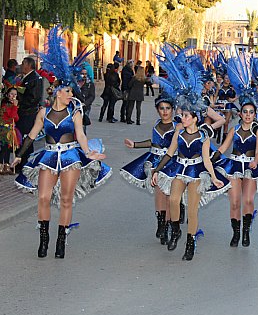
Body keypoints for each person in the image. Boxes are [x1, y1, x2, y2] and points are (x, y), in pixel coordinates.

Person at [13, 26, 111, 259]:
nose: (71, 95)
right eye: (68, 91)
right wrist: (20, 153)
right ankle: (44, 240)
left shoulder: (75, 112)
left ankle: (61, 241)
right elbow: (31, 134)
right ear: (58, 92)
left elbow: (81, 135)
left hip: (69, 157)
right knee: (44, 197)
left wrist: (89, 152)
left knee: (66, 199)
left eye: (72, 92)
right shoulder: (43, 113)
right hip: (48, 156)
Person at [150, 44, 229, 261]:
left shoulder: (204, 135)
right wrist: (156, 170)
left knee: (193, 210)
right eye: (181, 115)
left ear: (194, 117)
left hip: (196, 172)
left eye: (185, 115)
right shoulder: (178, 131)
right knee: (174, 200)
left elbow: (206, 159)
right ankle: (175, 229)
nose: (181, 118)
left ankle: (190, 242)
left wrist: (213, 177)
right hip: (178, 168)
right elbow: (169, 153)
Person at [215, 86, 258, 248]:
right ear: (240, 114)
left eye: (251, 112)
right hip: (233, 166)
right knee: (234, 202)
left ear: (255, 114)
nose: (248, 115)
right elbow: (223, 147)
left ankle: (246, 231)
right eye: (245, 112)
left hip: (250, 167)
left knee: (248, 200)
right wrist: (211, 158)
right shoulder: (234, 129)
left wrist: (256, 161)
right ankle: (236, 233)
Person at [121, 94, 180, 244]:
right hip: (154, 160)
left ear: (173, 110)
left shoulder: (177, 126)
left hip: (169, 163)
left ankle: (167, 226)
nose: (165, 111)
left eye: (168, 108)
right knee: (159, 194)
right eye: (162, 109)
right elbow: (153, 142)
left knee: (168, 196)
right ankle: (160, 224)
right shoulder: (156, 124)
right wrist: (135, 145)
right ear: (157, 110)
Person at [15, 57, 44, 171]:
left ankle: (25, 163)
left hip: (28, 113)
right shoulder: (25, 77)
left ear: (28, 65)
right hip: (22, 112)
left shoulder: (35, 79)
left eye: (23, 63)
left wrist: (20, 101)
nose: (21, 66)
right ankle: (21, 162)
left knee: (27, 137)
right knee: (20, 137)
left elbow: (33, 98)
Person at [0, 88, 20, 175]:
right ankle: (0, 165)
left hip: (11, 128)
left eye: (15, 94)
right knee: (3, 148)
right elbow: (11, 116)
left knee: (8, 148)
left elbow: (16, 118)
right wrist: (14, 107)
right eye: (11, 94)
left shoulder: (12, 106)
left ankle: (6, 165)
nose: (13, 96)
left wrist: (15, 107)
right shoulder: (5, 105)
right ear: (7, 95)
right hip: (5, 128)